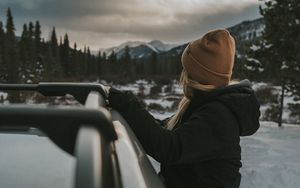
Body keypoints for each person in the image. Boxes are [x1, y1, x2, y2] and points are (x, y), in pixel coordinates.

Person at [104, 29, 260, 188]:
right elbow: (166, 129)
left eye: (186, 69)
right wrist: (128, 114)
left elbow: (170, 148)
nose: (182, 74)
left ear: (196, 75)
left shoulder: (218, 116)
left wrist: (128, 104)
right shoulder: (205, 105)